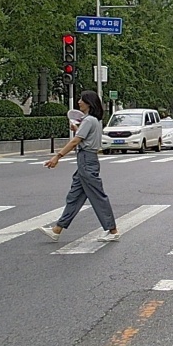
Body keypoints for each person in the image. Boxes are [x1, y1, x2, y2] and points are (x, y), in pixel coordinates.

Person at [43, 90, 119, 242]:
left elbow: (75, 142)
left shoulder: (89, 120)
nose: (79, 102)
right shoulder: (94, 120)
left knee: (97, 196)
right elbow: (86, 138)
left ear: (89, 103)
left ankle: (113, 230)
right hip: (87, 160)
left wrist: (57, 156)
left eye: (82, 100)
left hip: (86, 160)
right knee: (74, 196)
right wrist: (77, 130)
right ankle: (57, 229)